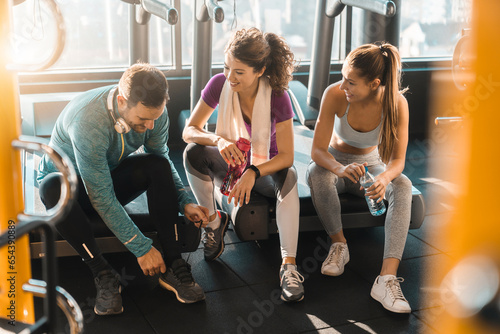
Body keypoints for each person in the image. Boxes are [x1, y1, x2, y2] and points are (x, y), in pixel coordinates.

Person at [37, 63, 209, 315]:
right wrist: (141, 247)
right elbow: (101, 196)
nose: (150, 125)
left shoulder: (154, 113)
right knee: (52, 187)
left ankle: (173, 263)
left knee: (158, 164)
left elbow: (160, 155)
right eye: (142, 119)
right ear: (121, 101)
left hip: (106, 175)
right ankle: (103, 273)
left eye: (155, 117)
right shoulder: (88, 120)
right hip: (72, 189)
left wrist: (184, 201)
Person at [182, 28, 304, 302]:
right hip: (230, 163)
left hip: (264, 171)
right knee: (192, 152)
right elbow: (189, 130)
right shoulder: (218, 84)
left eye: (239, 72)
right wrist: (218, 140)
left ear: (259, 70)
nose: (229, 77)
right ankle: (213, 224)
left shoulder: (277, 95)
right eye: (226, 67)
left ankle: (289, 267)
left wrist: (254, 171)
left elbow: (286, 156)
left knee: (290, 174)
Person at [306, 43, 413, 313]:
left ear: (374, 83)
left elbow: (398, 161)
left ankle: (386, 278)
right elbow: (318, 150)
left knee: (403, 186)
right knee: (316, 173)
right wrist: (339, 169)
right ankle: (339, 245)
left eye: (351, 82)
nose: (343, 86)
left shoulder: (397, 103)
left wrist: (385, 179)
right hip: (336, 162)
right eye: (343, 77)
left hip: (372, 165)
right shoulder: (335, 94)